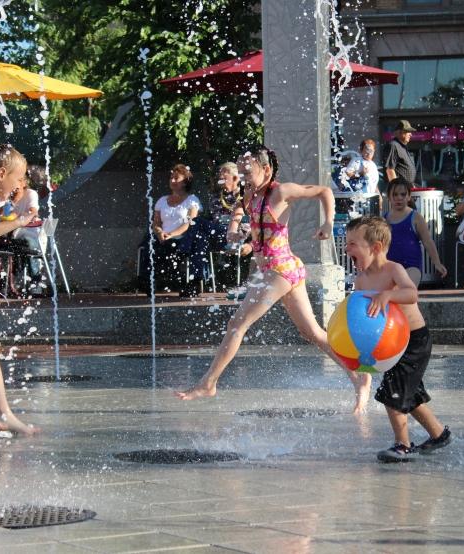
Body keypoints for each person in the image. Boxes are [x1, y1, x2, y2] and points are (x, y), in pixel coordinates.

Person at [176, 145, 372, 414]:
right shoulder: (249, 194)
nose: (243, 176)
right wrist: (234, 231)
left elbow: (324, 191)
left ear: (266, 169)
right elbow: (238, 212)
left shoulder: (281, 191)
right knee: (312, 333)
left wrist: (327, 223)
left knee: (237, 323)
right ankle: (359, 375)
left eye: (248, 171)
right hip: (280, 272)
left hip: (281, 270)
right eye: (241, 172)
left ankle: (209, 383)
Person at [344, 215, 451, 462]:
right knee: (408, 394)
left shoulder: (393, 270)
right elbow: (362, 316)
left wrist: (387, 296)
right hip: (390, 344)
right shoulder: (361, 280)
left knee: (393, 393)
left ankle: (402, 445)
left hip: (414, 341)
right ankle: (438, 434)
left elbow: (411, 294)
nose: (347, 249)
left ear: (376, 247)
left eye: (352, 244)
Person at [0, 144, 40, 436]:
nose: (20, 185)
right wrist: (17, 222)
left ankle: (3, 414)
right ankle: (3, 413)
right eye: (18, 178)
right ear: (1, 173)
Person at [147, 164, 204, 297]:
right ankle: (150, 282)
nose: (172, 180)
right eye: (171, 177)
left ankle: (187, 284)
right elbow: (155, 223)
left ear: (185, 182)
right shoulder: (162, 201)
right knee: (147, 245)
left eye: (176, 178)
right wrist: (160, 232)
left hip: (184, 237)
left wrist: (171, 234)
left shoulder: (192, 200)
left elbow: (190, 222)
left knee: (184, 247)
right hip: (163, 237)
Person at [383, 177, 447, 287]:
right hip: (390, 265)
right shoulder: (384, 219)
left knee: (407, 290)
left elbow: (427, 241)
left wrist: (437, 263)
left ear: (409, 197)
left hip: (412, 266)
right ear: (389, 197)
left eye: (403, 194)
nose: (399, 198)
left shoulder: (415, 217)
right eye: (395, 194)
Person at [207, 162, 252, 294]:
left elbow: (247, 222)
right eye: (220, 174)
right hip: (220, 232)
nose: (220, 176)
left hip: (240, 234)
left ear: (235, 178)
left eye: (224, 174)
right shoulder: (215, 197)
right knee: (200, 226)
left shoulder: (245, 196)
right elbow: (215, 218)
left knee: (202, 227)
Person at [384, 120, 417, 186]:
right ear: (400, 132)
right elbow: (390, 170)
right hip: (400, 190)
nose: (411, 134)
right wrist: (396, 189)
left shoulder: (402, 147)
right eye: (408, 132)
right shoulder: (393, 145)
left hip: (406, 189)